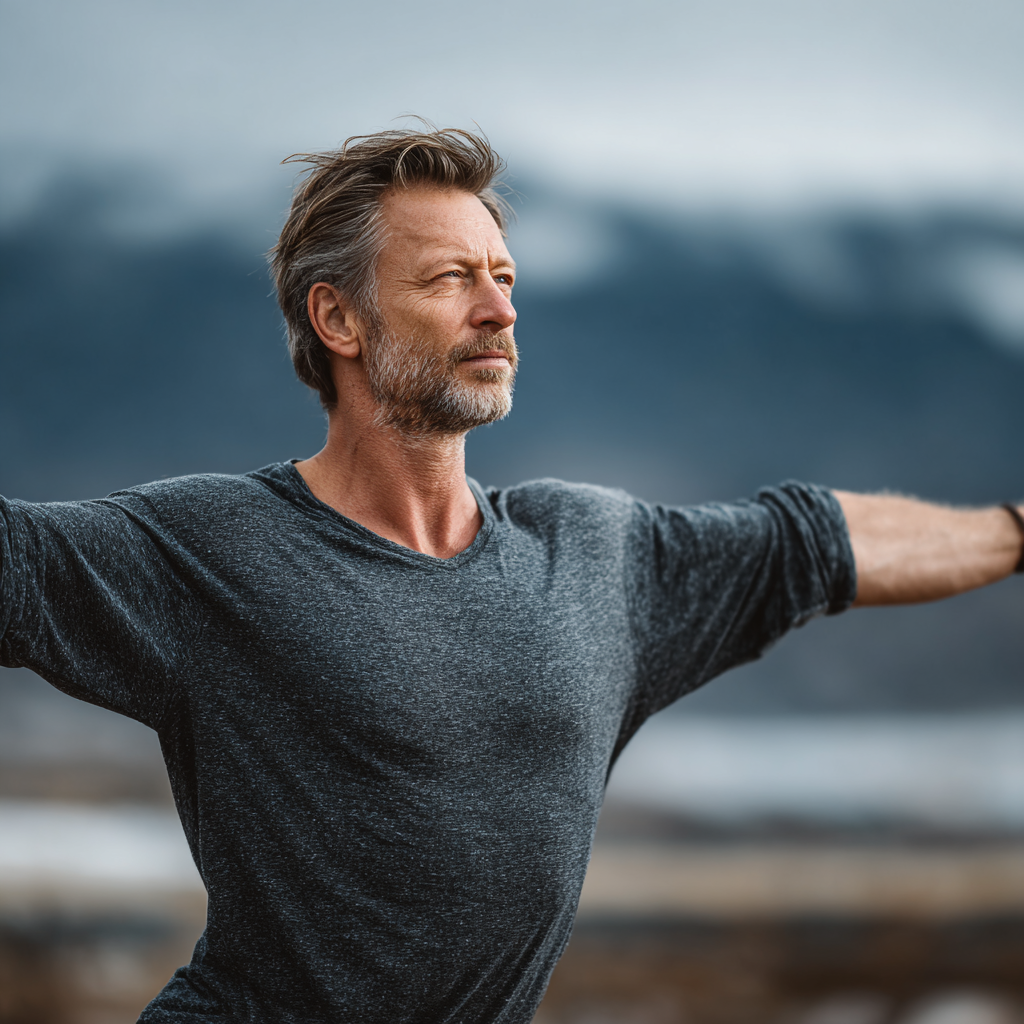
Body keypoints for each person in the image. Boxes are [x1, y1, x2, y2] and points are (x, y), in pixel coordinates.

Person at [1, 125, 1021, 1024]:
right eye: (450, 278)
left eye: (506, 277)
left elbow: (815, 541)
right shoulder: (212, 548)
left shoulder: (594, 555)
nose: (498, 310)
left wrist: (1016, 529)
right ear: (339, 321)